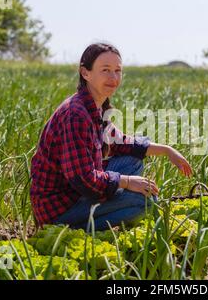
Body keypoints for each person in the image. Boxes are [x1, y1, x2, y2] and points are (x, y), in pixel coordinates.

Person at [30, 42, 193, 231]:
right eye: (105, 70)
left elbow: (122, 142)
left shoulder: (96, 106)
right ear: (85, 73)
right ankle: (72, 230)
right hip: (59, 208)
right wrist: (127, 182)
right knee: (145, 202)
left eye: (117, 70)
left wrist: (167, 150)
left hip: (77, 192)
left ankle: (107, 210)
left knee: (134, 161)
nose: (113, 77)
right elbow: (83, 180)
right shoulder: (76, 115)